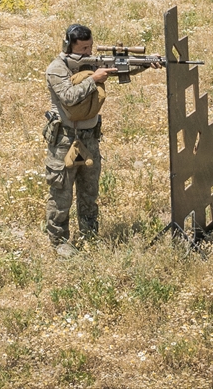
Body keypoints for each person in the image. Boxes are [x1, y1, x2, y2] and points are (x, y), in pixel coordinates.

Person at [43, 25, 157, 257]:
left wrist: (146, 63)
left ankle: (89, 235)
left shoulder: (93, 61)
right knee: (61, 192)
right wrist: (93, 79)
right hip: (65, 139)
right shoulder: (57, 68)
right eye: (82, 48)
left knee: (89, 191)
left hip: (89, 137)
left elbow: (122, 68)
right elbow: (67, 97)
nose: (87, 52)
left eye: (90, 47)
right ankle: (59, 241)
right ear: (68, 46)